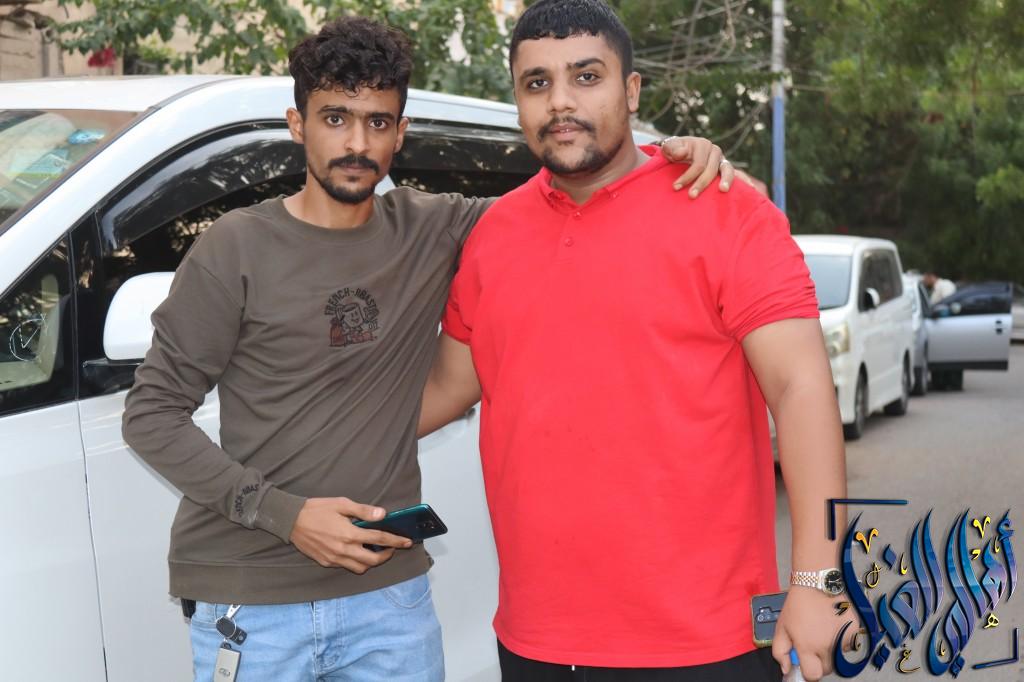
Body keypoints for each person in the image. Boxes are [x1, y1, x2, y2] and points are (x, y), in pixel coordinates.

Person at [121, 15, 734, 682]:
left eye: (378, 122)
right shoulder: (235, 247)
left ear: (400, 132)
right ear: (298, 124)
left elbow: (576, 195)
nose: (357, 143)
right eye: (335, 118)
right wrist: (286, 516)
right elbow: (150, 414)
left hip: (390, 600)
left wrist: (671, 156)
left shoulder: (433, 230)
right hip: (253, 600)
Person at [418, 1, 853, 680]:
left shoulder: (726, 209)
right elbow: (446, 387)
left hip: (707, 644)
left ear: (632, 90)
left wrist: (819, 580)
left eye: (586, 76)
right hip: (536, 642)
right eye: (537, 83)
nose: (561, 101)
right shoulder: (494, 236)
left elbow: (802, 390)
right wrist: (293, 433)